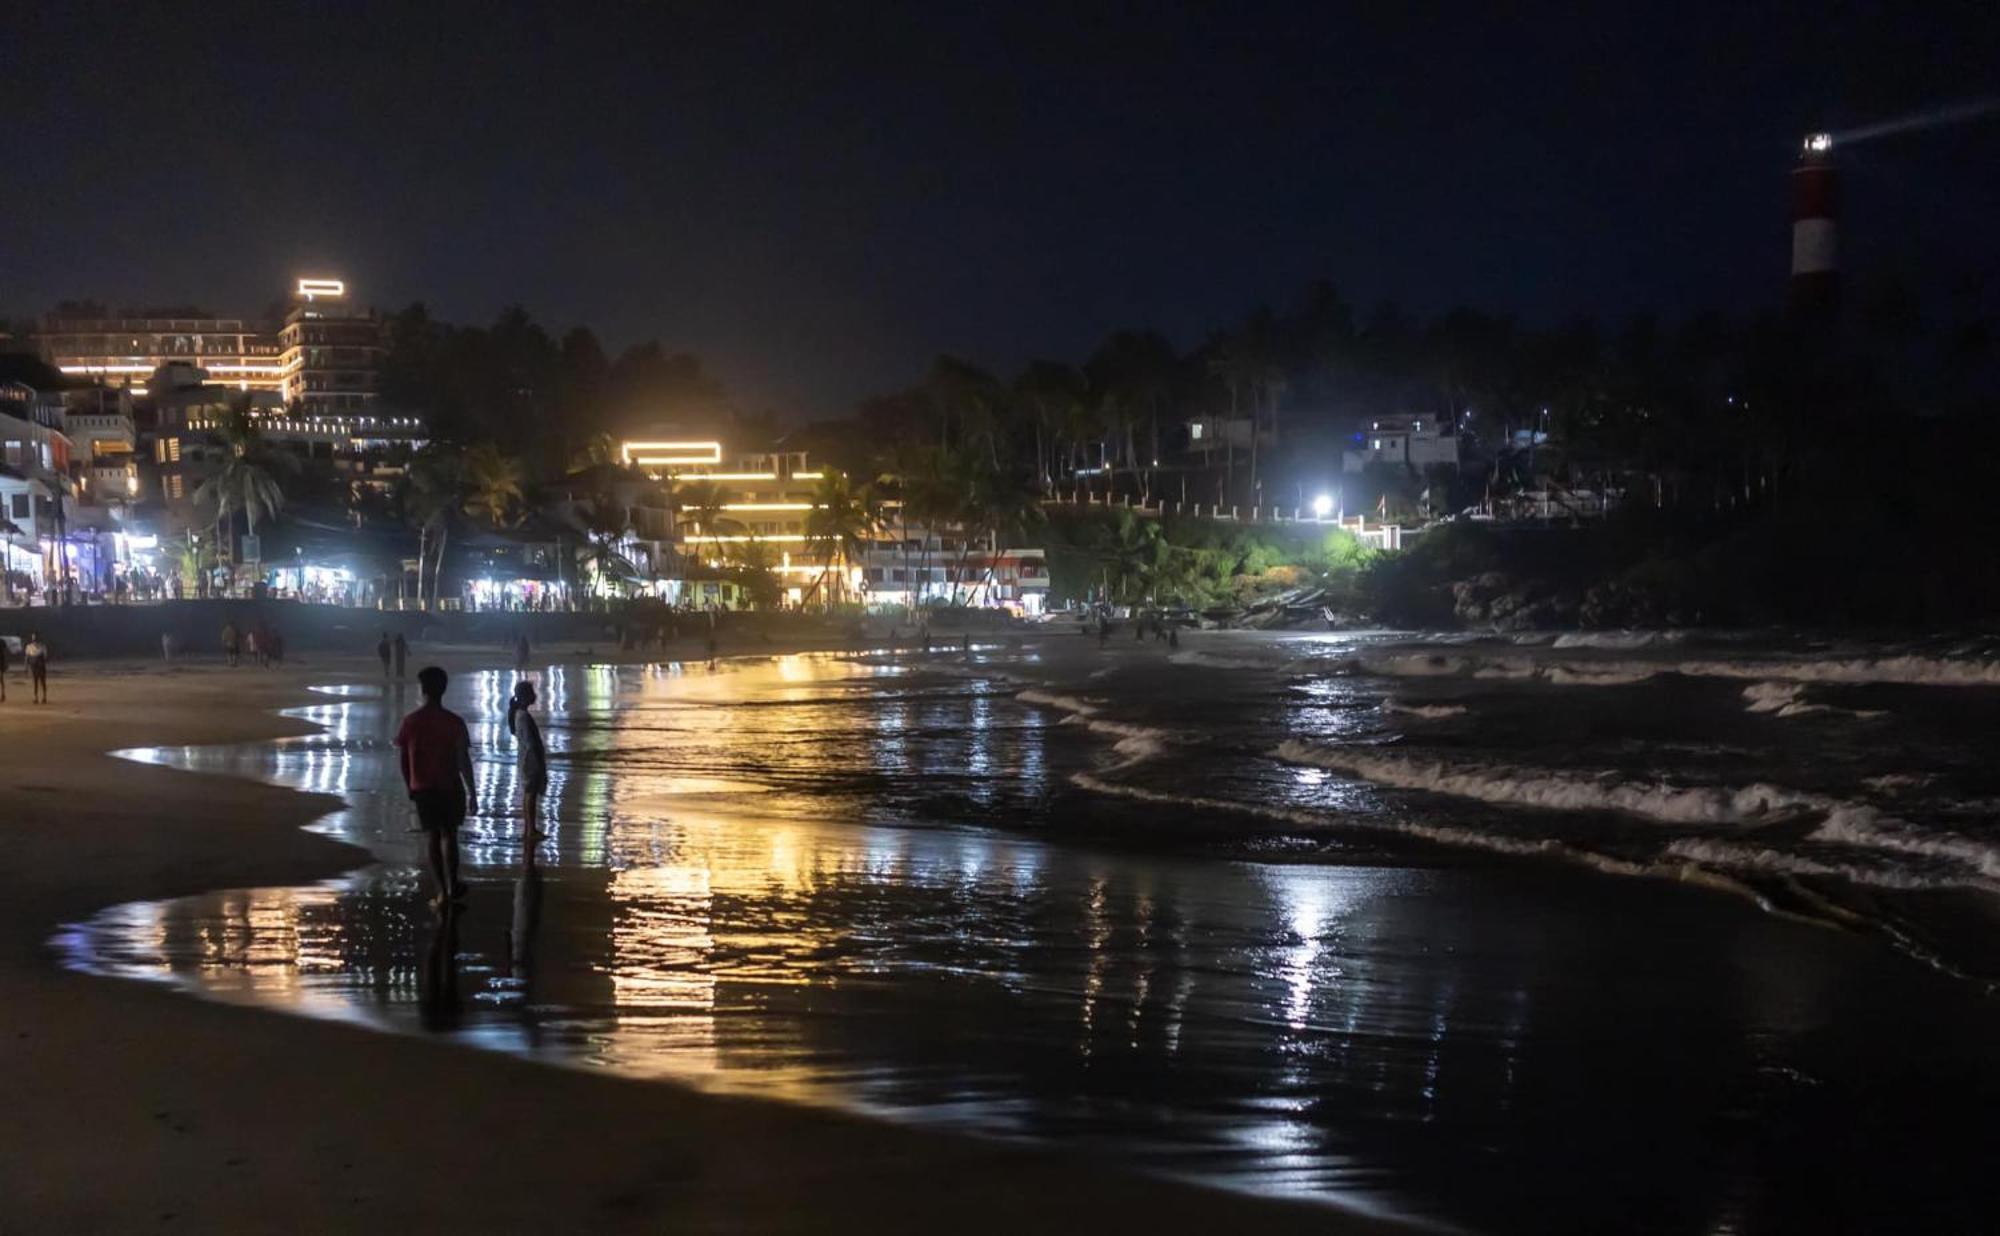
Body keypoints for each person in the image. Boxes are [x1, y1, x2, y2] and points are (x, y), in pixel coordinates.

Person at [394, 666, 476, 907]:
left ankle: (442, 892)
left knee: (432, 836)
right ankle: (452, 885)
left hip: (423, 787)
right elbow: (463, 760)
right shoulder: (454, 722)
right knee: (450, 835)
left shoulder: (411, 722)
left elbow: (404, 759)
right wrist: (473, 791)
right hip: (450, 786)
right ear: (444, 689)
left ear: (423, 690)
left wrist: (410, 785)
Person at [506, 680, 548, 844]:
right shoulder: (523, 717)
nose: (535, 695)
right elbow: (532, 744)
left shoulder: (519, 715)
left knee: (529, 795)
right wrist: (540, 764)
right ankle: (530, 830)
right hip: (530, 762)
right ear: (525, 696)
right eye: (532, 692)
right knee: (530, 795)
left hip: (525, 760)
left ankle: (530, 828)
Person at [25, 632, 49, 704]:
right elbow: (27, 657)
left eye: (35, 637)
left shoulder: (43, 646)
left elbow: (45, 657)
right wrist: (26, 667)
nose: (34, 639)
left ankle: (44, 697)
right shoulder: (29, 647)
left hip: (40, 666)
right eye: (33, 637)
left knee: (42, 682)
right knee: (35, 682)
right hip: (33, 666)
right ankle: (36, 697)